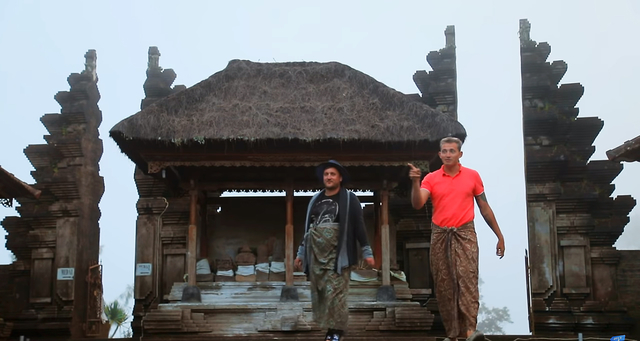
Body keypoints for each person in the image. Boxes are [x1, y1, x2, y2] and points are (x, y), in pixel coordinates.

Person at [408, 137, 505, 341]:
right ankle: (452, 333)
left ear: (460, 154)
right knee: (444, 285)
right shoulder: (431, 178)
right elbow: (418, 203)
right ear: (440, 154)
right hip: (440, 234)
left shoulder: (472, 176)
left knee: (467, 279)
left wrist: (499, 235)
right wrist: (416, 181)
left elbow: (484, 208)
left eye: (452, 151)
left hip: (465, 233)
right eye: (444, 151)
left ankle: (470, 330)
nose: (448, 154)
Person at [295, 160, 375, 341]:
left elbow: (359, 226)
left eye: (332, 174)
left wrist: (367, 251)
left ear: (340, 178)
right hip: (316, 254)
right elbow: (309, 229)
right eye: (326, 174)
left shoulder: (349, 198)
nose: (328, 177)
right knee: (323, 293)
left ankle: (336, 332)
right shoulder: (315, 199)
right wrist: (300, 253)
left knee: (337, 293)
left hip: (339, 254)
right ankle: (329, 329)